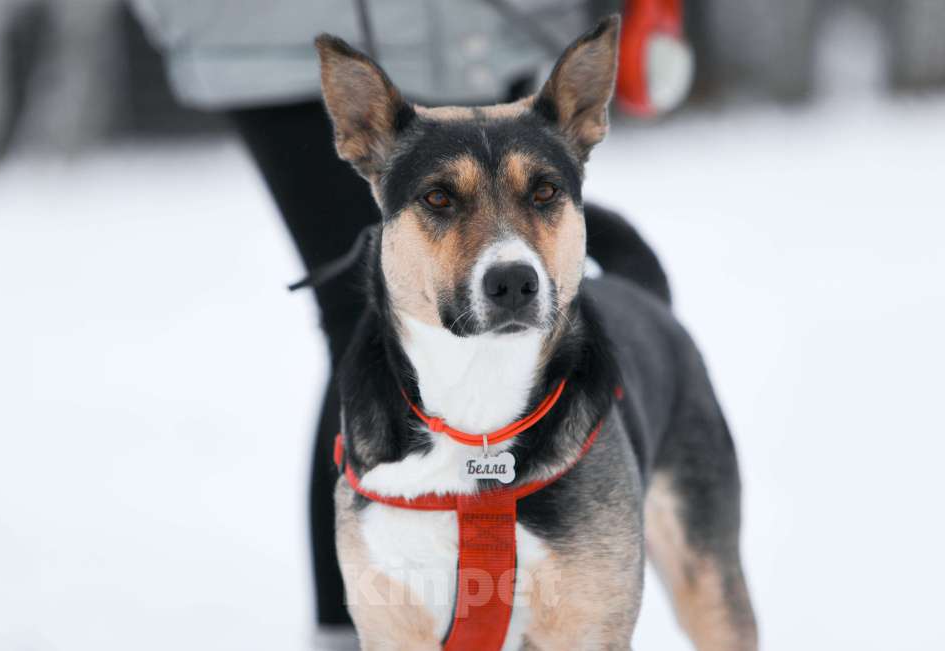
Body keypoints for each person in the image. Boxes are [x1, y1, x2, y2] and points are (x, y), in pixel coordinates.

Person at [131, 0, 668, 638]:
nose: (507, 257)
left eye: (547, 197)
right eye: (442, 202)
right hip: (269, 31)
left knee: (498, 178)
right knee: (361, 317)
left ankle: (532, 573)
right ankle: (361, 619)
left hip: (476, 29)